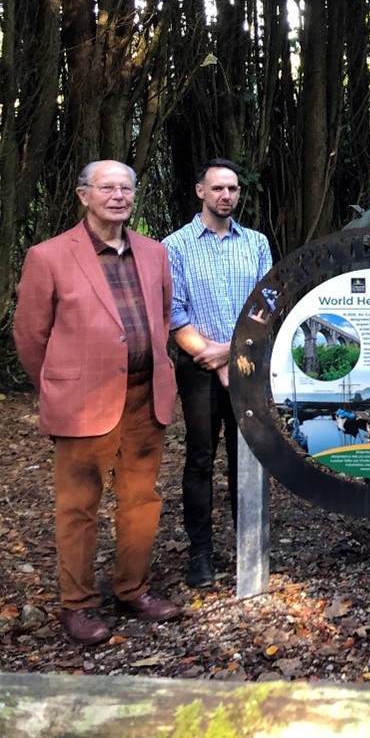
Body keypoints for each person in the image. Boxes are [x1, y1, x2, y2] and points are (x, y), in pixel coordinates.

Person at [13, 160, 181, 645]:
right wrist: (62, 383)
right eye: (107, 187)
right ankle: (78, 604)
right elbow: (31, 336)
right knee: (78, 506)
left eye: (126, 188)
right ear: (83, 195)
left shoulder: (154, 253)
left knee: (141, 500)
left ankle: (133, 589)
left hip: (145, 397)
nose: (118, 196)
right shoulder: (48, 256)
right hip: (84, 402)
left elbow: (164, 315)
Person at [163, 158, 273, 588]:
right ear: (200, 192)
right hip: (197, 369)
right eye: (217, 189)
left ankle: (250, 547)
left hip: (246, 363)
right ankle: (201, 554)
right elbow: (175, 312)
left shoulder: (257, 243)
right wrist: (209, 357)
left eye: (232, 189)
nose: (225, 195)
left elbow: (267, 305)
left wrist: (229, 355)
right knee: (200, 458)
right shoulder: (176, 245)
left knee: (246, 458)